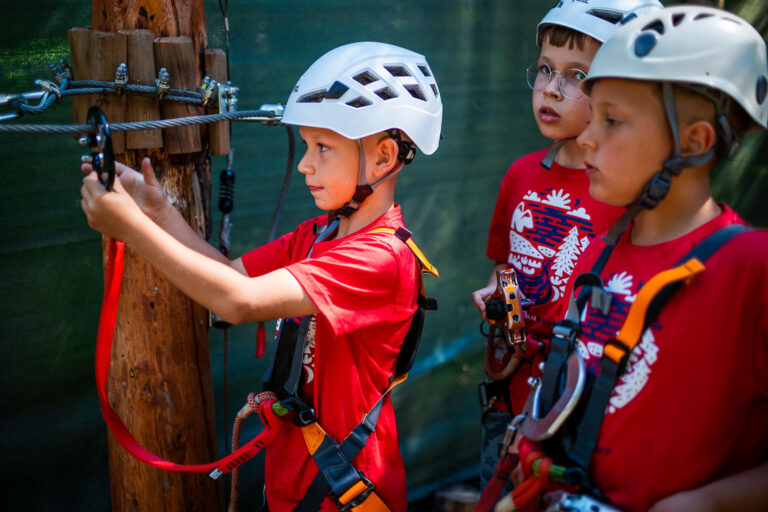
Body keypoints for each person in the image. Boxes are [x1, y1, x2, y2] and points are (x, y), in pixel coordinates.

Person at [80, 41, 443, 512]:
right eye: (309, 146)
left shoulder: (381, 259)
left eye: (323, 148)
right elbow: (227, 279)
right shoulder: (318, 235)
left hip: (346, 491)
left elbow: (237, 302)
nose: (304, 164)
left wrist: (128, 228)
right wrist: (159, 214)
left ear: (383, 156)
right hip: (298, 483)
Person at [504, 5, 768, 511]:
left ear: (693, 142)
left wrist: (711, 503)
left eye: (613, 120)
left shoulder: (750, 268)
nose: (585, 137)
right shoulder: (600, 256)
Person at [472, 0, 662, 492]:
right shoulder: (519, 174)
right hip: (510, 393)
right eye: (545, 70)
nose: (551, 89)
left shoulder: (629, 197)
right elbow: (503, 264)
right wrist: (496, 293)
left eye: (577, 75)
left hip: (585, 404)